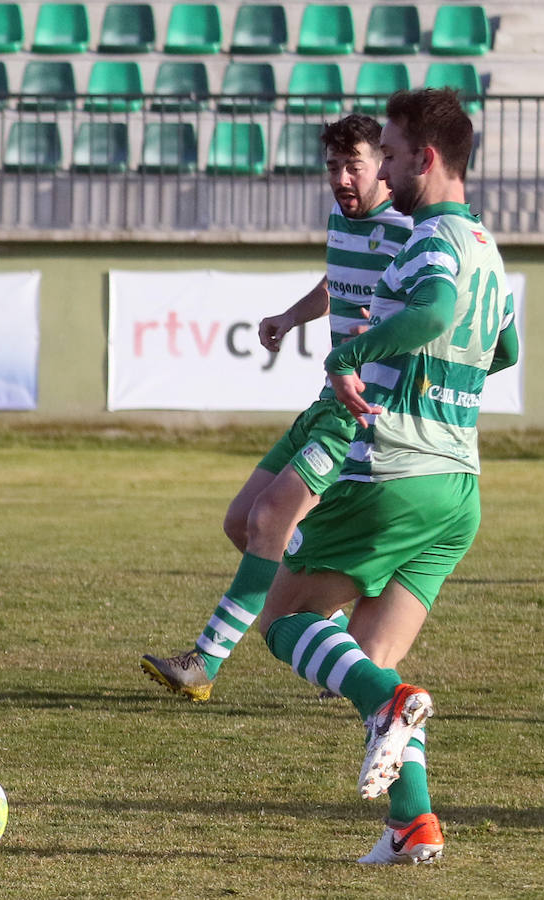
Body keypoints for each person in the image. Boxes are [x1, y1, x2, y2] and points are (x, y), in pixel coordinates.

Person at [258, 88, 519, 865]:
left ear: (427, 159)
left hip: (396, 473)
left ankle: (392, 707)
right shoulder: (487, 245)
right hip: (457, 488)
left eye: (398, 156)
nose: (390, 170)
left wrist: (350, 355)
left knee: (285, 622)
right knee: (371, 656)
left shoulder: (433, 236)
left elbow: (435, 312)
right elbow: (501, 350)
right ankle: (414, 825)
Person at [141, 115, 414, 702]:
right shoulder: (344, 219)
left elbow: (426, 309)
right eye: (333, 167)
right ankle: (332, 632)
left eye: (355, 166)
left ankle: (203, 663)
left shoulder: (406, 229)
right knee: (242, 522)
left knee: (269, 520)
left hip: (361, 411)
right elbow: (336, 283)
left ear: (383, 167)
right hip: (325, 400)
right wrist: (292, 316)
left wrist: (384, 334)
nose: (341, 178)